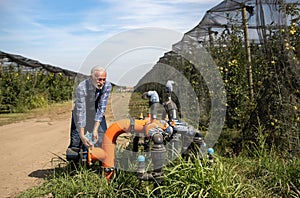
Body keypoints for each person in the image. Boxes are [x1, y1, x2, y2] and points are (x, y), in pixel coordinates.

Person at [67, 66, 112, 157]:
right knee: (76, 141)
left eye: (104, 79)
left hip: (95, 111)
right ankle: (75, 166)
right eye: (99, 80)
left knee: (102, 138)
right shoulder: (82, 87)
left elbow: (101, 108)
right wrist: (82, 135)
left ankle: (101, 165)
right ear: (91, 78)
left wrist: (95, 129)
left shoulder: (107, 86)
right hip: (80, 112)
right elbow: (81, 111)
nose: (102, 83)